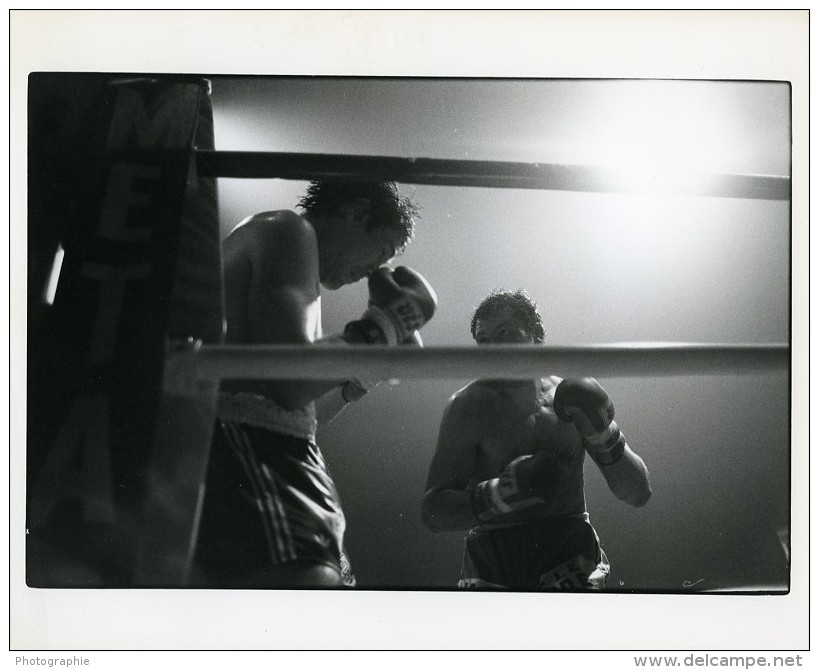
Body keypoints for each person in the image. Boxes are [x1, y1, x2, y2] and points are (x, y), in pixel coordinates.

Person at [193, 180, 437, 588]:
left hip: (271, 449)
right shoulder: (289, 231)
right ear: (357, 213)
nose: (373, 272)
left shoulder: (296, 261)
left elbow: (295, 410)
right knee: (309, 598)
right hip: (253, 451)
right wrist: (383, 328)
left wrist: (362, 375)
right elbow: (289, 379)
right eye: (381, 252)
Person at [421, 289, 651, 590]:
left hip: (571, 554)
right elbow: (433, 512)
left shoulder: (571, 397)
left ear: (536, 336)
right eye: (484, 340)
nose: (493, 348)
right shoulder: (468, 408)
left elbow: (638, 493)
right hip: (497, 560)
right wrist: (502, 493)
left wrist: (604, 433)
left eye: (505, 333)